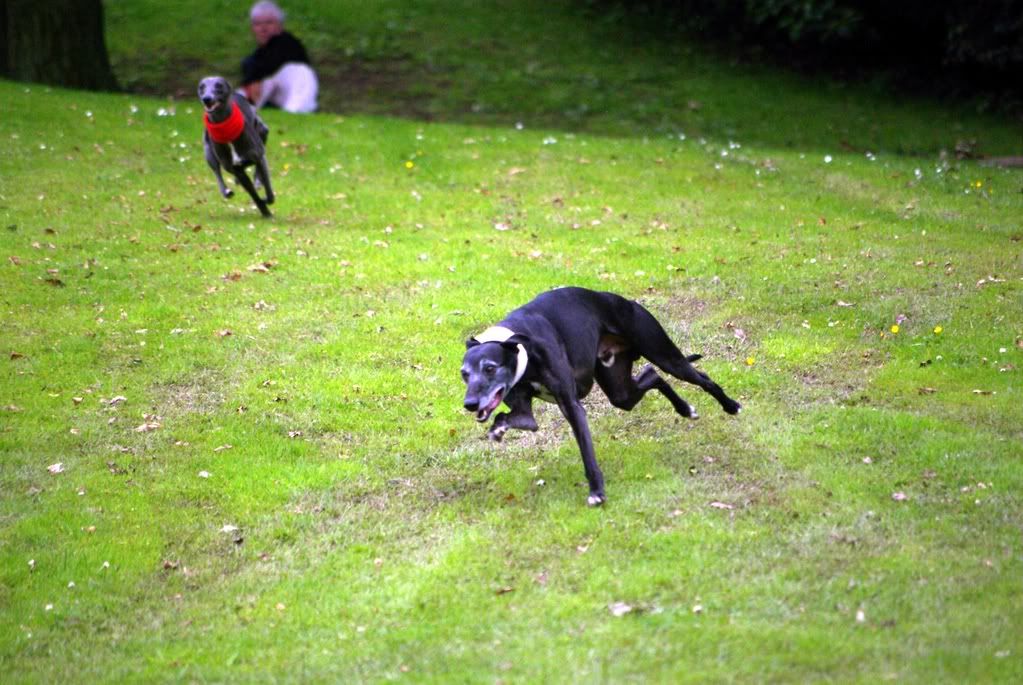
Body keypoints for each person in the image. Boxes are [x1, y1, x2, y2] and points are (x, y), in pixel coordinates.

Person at [240, 1, 318, 113]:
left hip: (297, 95)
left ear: (280, 25)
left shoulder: (288, 44)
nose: (263, 28)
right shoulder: (256, 56)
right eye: (257, 24)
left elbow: (270, 65)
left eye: (269, 23)